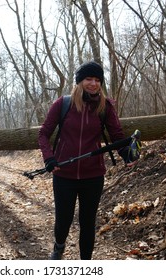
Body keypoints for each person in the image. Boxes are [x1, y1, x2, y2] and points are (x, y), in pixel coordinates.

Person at [38, 61, 138, 260]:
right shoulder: (63, 104)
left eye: (97, 80)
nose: (93, 83)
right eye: (88, 79)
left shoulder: (105, 106)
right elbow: (43, 134)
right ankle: (59, 247)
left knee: (88, 222)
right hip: (63, 173)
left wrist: (126, 153)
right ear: (79, 81)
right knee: (63, 221)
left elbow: (117, 135)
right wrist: (49, 158)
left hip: (93, 175)